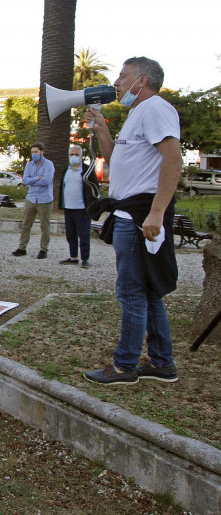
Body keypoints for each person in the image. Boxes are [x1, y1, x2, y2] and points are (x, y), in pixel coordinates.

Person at [83, 57, 181, 385]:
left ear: (143, 80)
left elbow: (173, 159)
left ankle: (125, 366)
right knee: (148, 292)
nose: (118, 82)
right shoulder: (137, 114)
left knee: (130, 293)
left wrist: (157, 212)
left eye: (124, 76)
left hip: (138, 216)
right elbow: (115, 160)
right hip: (131, 214)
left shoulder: (154, 108)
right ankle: (162, 363)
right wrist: (102, 129)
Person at [12, 142, 55, 259]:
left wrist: (33, 180)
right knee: (26, 224)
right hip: (31, 197)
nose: (34, 154)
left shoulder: (49, 165)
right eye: (32, 152)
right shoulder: (29, 165)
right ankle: (22, 248)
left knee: (44, 226)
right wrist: (37, 178)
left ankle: (43, 249)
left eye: (36, 152)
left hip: (44, 199)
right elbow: (25, 181)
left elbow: (46, 181)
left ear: (42, 152)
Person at [59, 144, 99, 269]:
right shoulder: (66, 170)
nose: (74, 157)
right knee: (70, 234)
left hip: (82, 209)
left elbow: (95, 189)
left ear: (81, 156)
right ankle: (73, 257)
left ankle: (85, 258)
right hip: (68, 208)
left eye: (76, 154)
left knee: (84, 234)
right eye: (72, 154)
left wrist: (91, 206)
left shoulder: (87, 171)